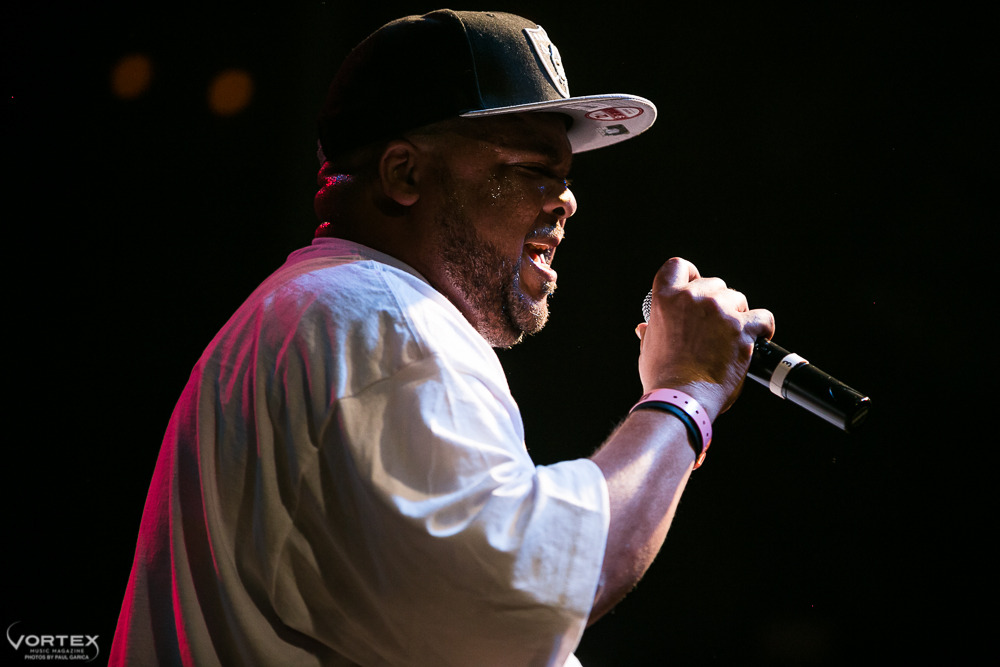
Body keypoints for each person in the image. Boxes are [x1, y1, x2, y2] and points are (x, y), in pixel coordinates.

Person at [109, 9, 774, 667]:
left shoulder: (317, 311)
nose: (566, 200)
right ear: (405, 174)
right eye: (532, 169)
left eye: (566, 176)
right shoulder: (382, 319)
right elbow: (531, 593)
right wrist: (685, 393)